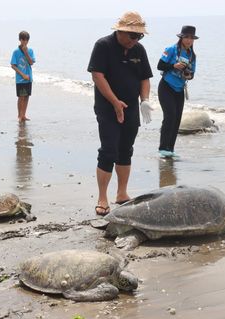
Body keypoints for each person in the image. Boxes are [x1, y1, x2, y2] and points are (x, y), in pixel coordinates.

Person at [87, 11, 154, 216]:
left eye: (139, 36)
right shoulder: (103, 46)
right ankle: (102, 197)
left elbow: (145, 78)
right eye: (133, 36)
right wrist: (115, 102)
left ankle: (122, 193)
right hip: (108, 107)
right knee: (109, 149)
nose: (136, 40)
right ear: (121, 31)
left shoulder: (138, 50)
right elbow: (97, 75)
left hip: (131, 107)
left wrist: (145, 101)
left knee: (126, 149)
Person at [157, 25, 198, 158]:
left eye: (191, 38)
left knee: (176, 119)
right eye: (186, 37)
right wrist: (174, 66)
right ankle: (163, 148)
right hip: (166, 86)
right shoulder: (171, 49)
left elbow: (192, 75)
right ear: (181, 37)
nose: (189, 40)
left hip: (179, 89)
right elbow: (160, 66)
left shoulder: (192, 55)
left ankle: (171, 149)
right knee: (169, 116)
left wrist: (188, 75)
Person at [10, 31, 35, 123]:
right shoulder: (16, 52)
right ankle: (19, 115)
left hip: (29, 78)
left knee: (27, 96)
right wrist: (22, 74)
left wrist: (26, 52)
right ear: (20, 40)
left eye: (26, 40)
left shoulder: (30, 51)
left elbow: (31, 62)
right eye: (23, 39)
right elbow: (13, 65)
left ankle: (24, 114)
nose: (25, 41)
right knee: (21, 97)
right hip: (20, 79)